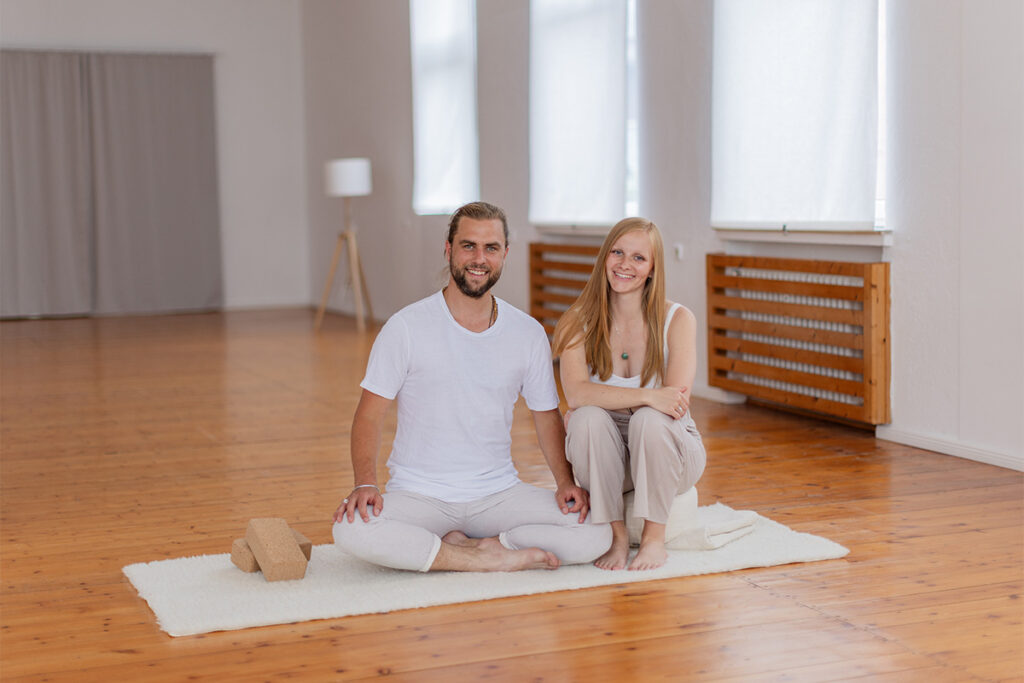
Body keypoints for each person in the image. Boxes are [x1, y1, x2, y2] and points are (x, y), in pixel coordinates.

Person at [332, 201, 611, 572]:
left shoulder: (527, 333)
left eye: (491, 248)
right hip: (420, 494)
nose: (479, 258)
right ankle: (470, 557)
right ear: (448, 249)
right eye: (468, 246)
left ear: (505, 254)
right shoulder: (406, 328)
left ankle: (492, 546)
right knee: (350, 530)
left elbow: (546, 417)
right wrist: (364, 484)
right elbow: (369, 416)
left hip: (497, 494)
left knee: (598, 532)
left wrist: (565, 483)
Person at [551, 217, 706, 571]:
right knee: (588, 418)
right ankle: (617, 537)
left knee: (651, 420)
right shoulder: (578, 320)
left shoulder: (678, 319)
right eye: (618, 253)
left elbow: (675, 404)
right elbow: (575, 394)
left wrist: (630, 402)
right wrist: (649, 396)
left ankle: (654, 538)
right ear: (605, 257)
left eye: (639, 258)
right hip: (608, 457)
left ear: (652, 268)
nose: (625, 265)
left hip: (672, 449)